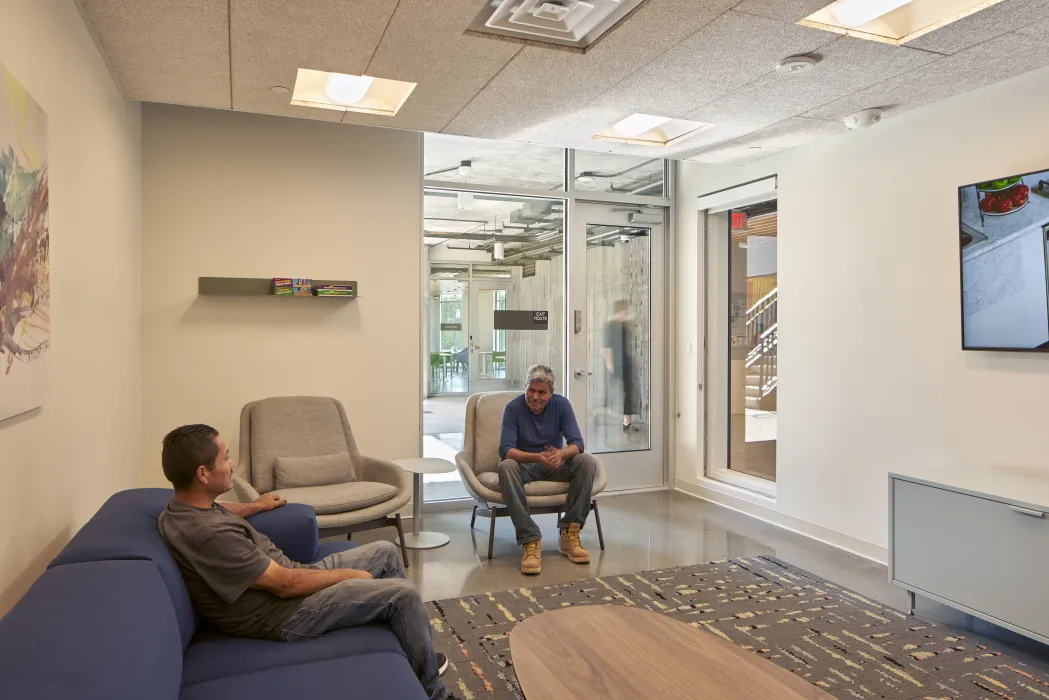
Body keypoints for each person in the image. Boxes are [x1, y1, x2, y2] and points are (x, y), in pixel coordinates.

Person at [156, 424, 454, 700]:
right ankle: (431, 689)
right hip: (285, 613)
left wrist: (254, 506)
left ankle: (413, 651)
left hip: (290, 578)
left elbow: (218, 508)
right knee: (402, 594)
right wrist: (350, 576)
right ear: (203, 474)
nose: (231, 464)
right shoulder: (209, 535)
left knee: (385, 551)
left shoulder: (183, 508)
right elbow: (285, 585)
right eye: (226, 459)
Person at [497, 365, 598, 575]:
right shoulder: (513, 408)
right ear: (526, 388)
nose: (535, 396)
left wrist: (560, 455)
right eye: (531, 390)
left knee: (586, 462)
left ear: (551, 394)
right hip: (525, 465)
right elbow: (506, 450)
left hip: (555, 464)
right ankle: (530, 539)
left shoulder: (561, 405)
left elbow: (577, 443)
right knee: (506, 467)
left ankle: (569, 532)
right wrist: (537, 457)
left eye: (541, 392)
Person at [603, 299, 640, 431]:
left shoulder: (624, 325)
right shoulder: (611, 325)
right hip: (616, 362)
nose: (626, 313)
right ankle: (620, 419)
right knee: (623, 390)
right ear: (618, 311)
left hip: (625, 360)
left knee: (629, 390)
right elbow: (606, 346)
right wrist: (609, 362)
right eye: (624, 310)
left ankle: (627, 421)